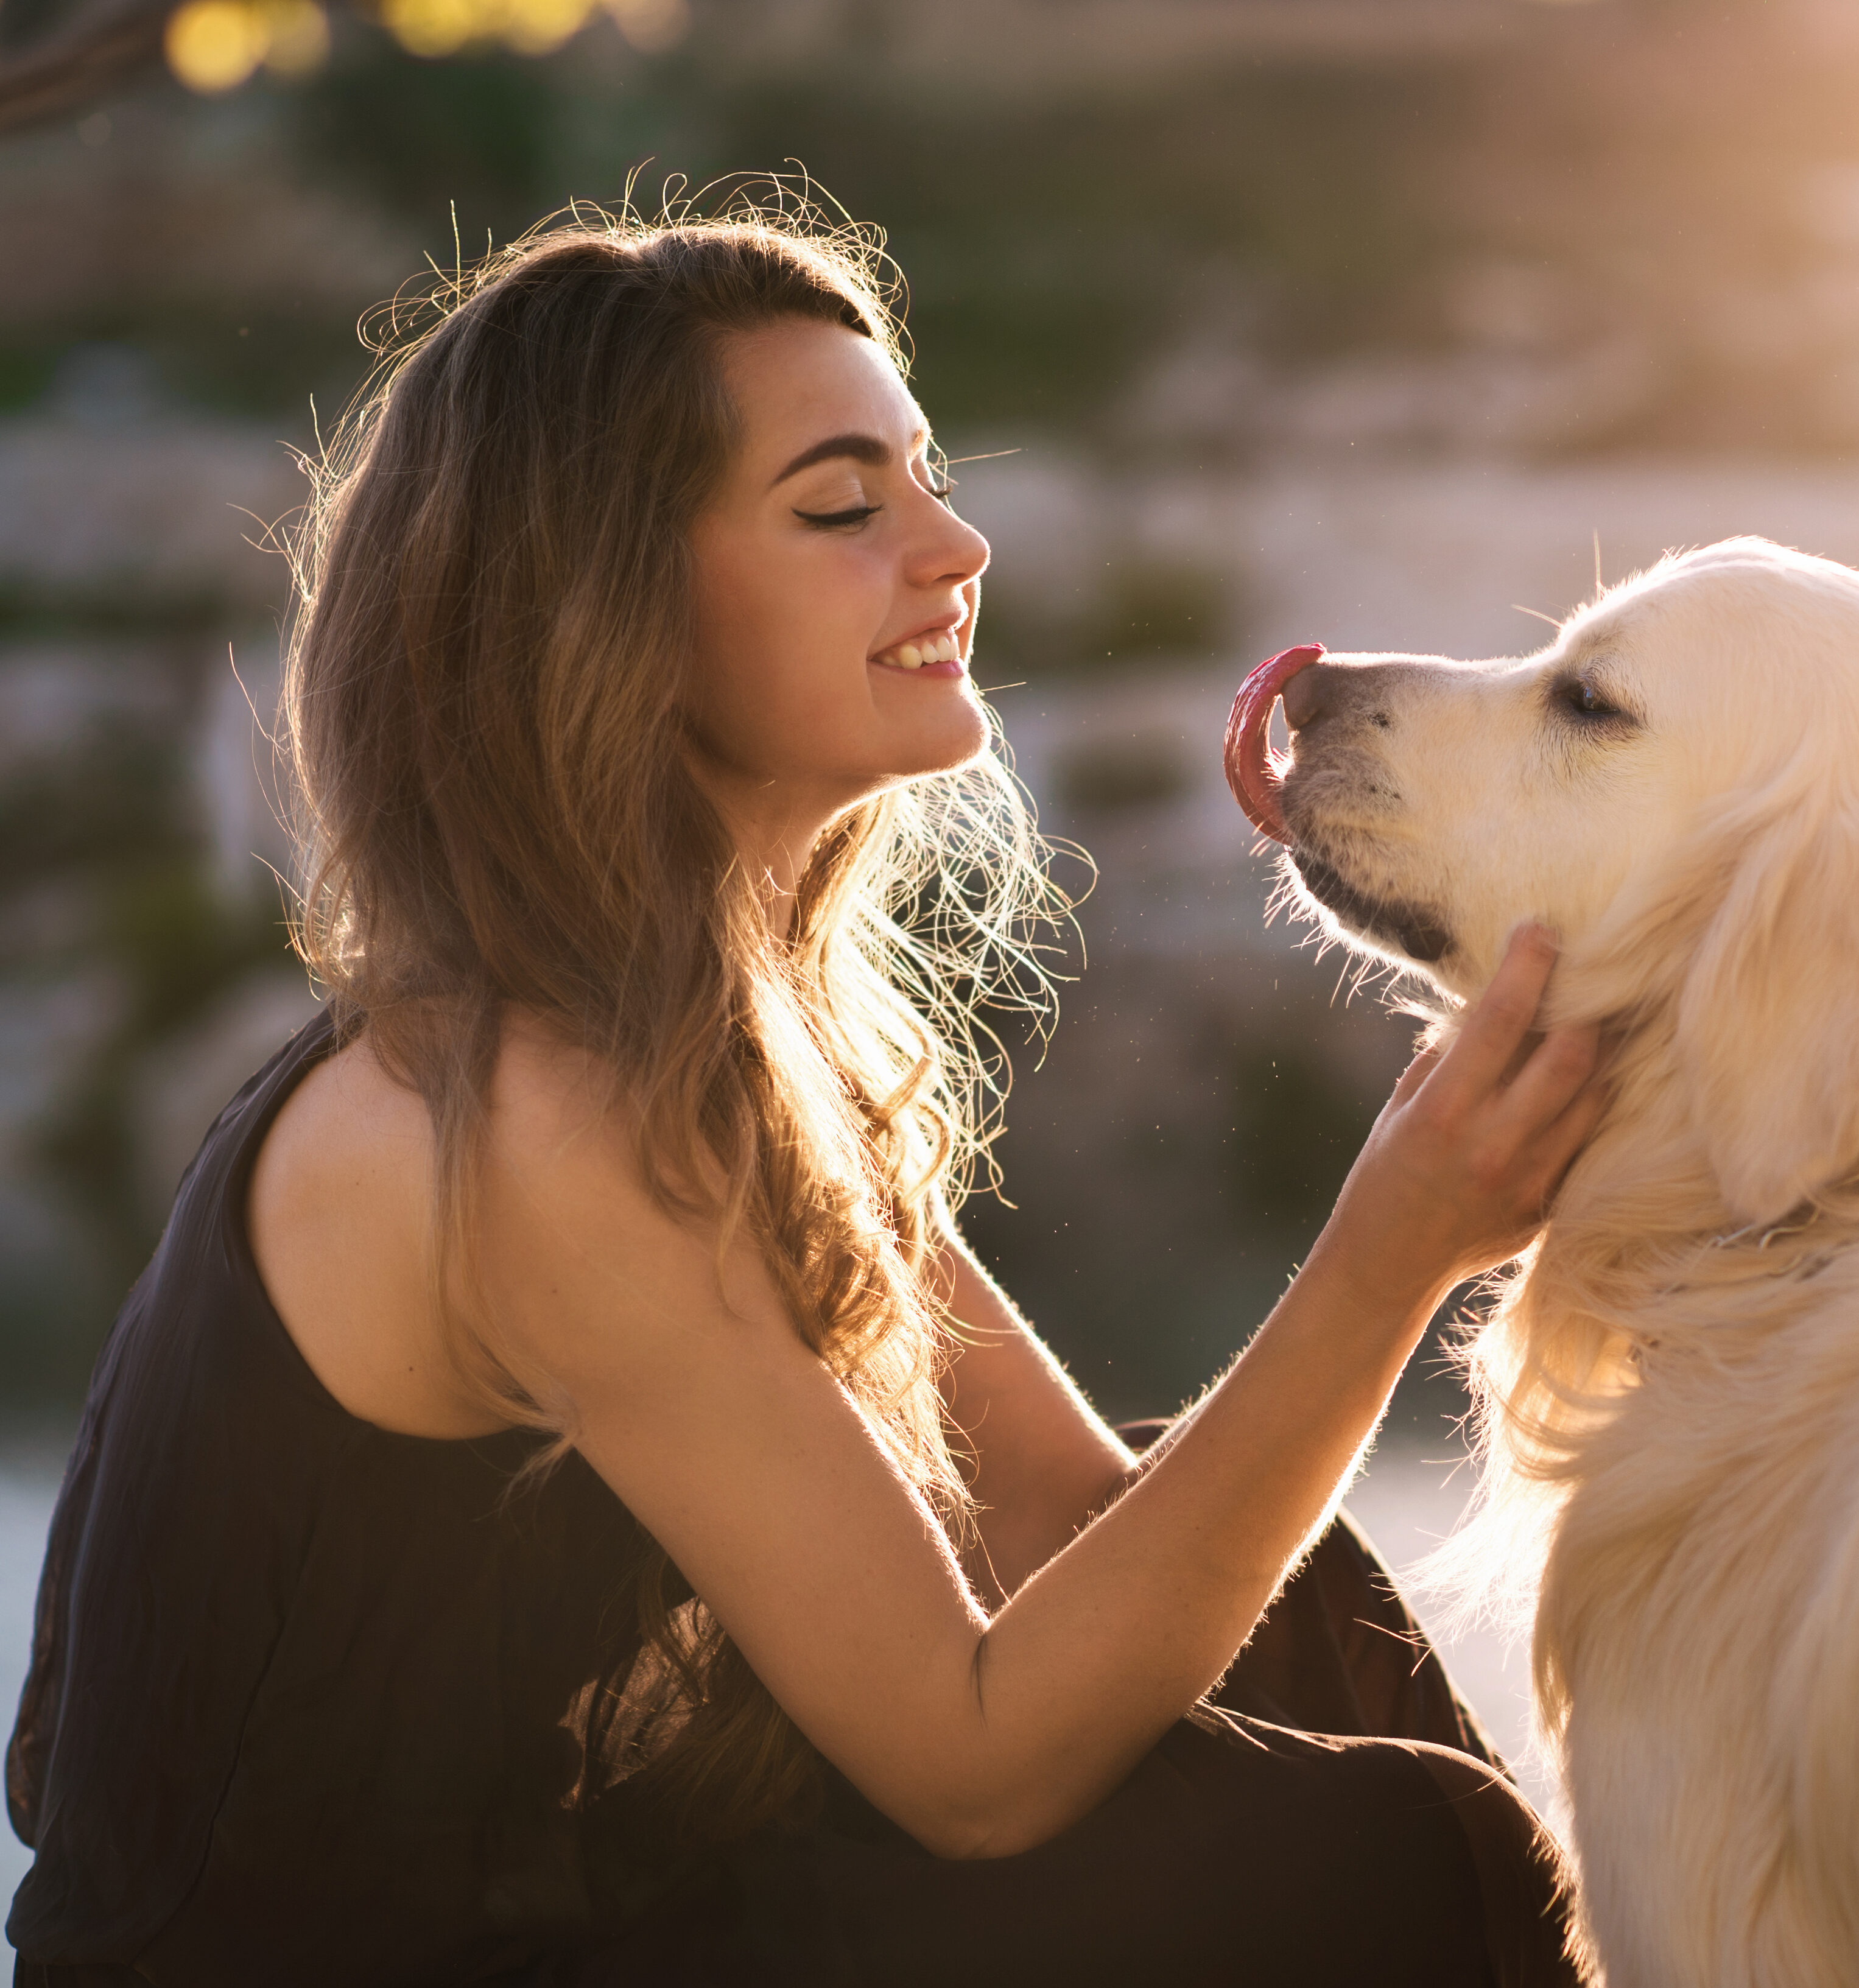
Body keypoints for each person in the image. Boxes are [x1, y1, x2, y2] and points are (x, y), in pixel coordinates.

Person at [3, 203, 1603, 1986]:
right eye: (846, 509)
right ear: (611, 614)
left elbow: (1067, 1520)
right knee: (1389, 1854)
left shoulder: (699, 1037)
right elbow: (979, 1766)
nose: (960, 543)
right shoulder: (526, 1112)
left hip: (600, 1913)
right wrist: (1390, 1259)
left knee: (1292, 1595)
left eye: (927, 476)